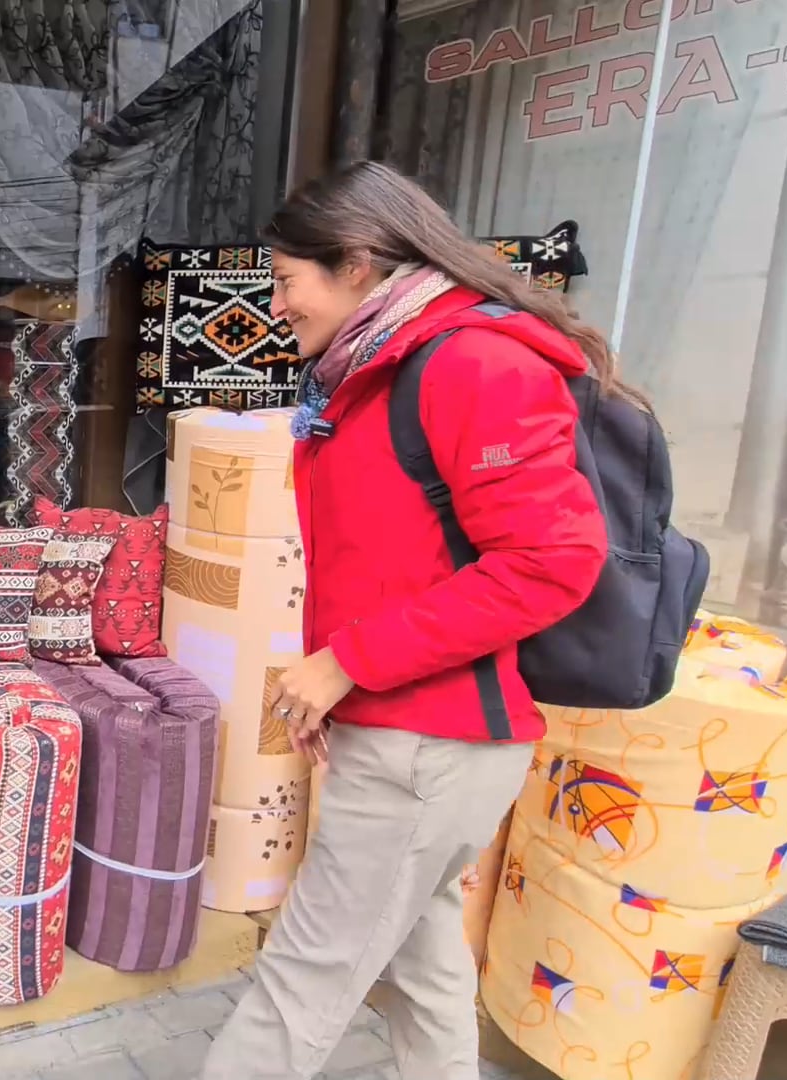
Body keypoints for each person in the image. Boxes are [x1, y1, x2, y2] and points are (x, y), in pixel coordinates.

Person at [197, 161, 613, 1080]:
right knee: (424, 973)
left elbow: (551, 562)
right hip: (404, 733)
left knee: (300, 985)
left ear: (354, 263)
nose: (276, 305)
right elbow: (394, 563)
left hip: (430, 747)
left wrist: (347, 663)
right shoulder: (378, 367)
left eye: (286, 280)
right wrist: (338, 684)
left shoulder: (474, 363)